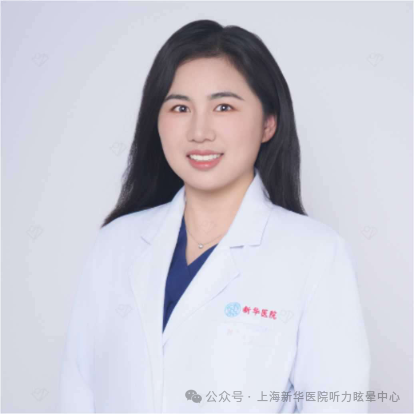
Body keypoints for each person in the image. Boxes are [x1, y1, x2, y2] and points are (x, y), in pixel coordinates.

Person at [59, 19, 371, 413]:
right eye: (180, 107)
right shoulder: (115, 245)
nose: (199, 131)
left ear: (268, 123)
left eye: (224, 107)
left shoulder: (316, 255)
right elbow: (77, 393)